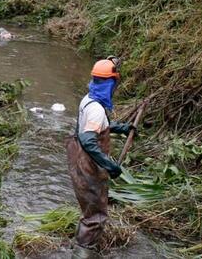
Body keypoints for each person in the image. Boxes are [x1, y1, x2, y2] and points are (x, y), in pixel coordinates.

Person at [66, 56, 135, 257]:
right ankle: (83, 252)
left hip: (78, 161)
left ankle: (79, 245)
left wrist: (118, 128)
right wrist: (109, 165)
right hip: (89, 166)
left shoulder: (88, 100)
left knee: (89, 210)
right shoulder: (96, 108)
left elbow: (89, 128)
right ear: (110, 83)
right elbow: (89, 140)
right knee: (95, 217)